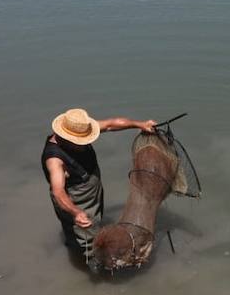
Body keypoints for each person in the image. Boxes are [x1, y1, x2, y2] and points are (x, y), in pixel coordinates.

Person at [42, 108, 155, 265]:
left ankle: (77, 244)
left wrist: (140, 124)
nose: (86, 143)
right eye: (80, 142)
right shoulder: (55, 160)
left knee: (91, 226)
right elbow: (58, 192)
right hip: (76, 200)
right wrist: (76, 213)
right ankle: (95, 268)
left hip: (91, 191)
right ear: (66, 137)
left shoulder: (81, 127)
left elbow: (110, 124)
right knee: (87, 242)